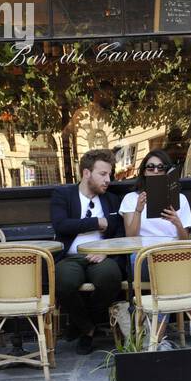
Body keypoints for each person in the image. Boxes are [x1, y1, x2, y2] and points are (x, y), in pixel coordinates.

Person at [118, 149, 191, 346]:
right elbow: (130, 237)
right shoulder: (131, 199)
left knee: (176, 268)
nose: (155, 171)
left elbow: (186, 239)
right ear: (144, 172)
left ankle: (158, 340)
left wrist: (177, 222)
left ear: (167, 172)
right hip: (143, 258)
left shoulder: (180, 199)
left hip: (174, 256)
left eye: (161, 167)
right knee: (165, 271)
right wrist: (139, 210)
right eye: (150, 167)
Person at [51, 148, 126, 355]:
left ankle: (80, 326)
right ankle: (89, 329)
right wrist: (96, 222)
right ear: (86, 173)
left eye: (109, 174)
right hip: (71, 257)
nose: (108, 179)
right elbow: (61, 225)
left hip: (101, 257)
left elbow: (120, 232)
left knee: (111, 277)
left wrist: (107, 252)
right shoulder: (63, 195)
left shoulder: (111, 200)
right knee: (64, 281)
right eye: (103, 174)